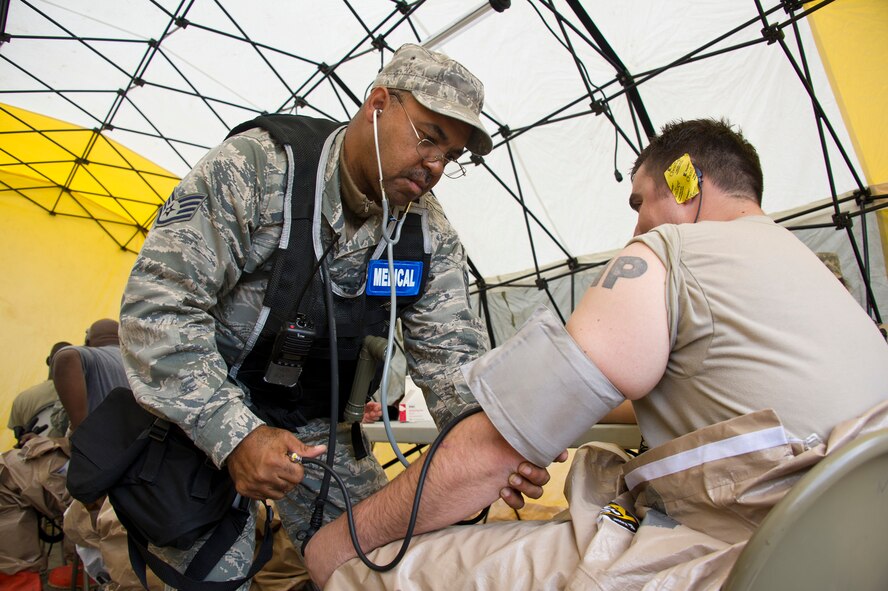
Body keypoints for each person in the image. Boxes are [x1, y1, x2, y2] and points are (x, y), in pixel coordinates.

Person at [303, 118, 888, 589]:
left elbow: (489, 452)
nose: (636, 226)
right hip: (851, 553)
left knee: (374, 571)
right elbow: (706, 411)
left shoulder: (669, 252)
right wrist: (560, 420)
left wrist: (340, 541)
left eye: (640, 201)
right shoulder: (812, 272)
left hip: (745, 556)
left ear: (686, 182)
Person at [118, 43, 548, 588]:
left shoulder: (426, 235)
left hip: (312, 428)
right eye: (428, 137)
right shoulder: (256, 170)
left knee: (380, 567)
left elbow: (451, 367)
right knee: (207, 577)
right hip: (198, 415)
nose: (436, 166)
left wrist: (491, 449)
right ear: (377, 105)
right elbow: (156, 310)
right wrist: (235, 435)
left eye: (451, 155)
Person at [53, 319, 163, 591]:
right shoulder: (140, 362)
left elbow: (65, 358)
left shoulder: (90, 355)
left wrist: (81, 432)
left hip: (106, 474)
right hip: (148, 470)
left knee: (100, 535)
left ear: (89, 339)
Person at [7, 341, 71, 448]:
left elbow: (19, 437)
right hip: (70, 457)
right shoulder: (84, 395)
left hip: (35, 458)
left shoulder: (23, 398)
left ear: (48, 361)